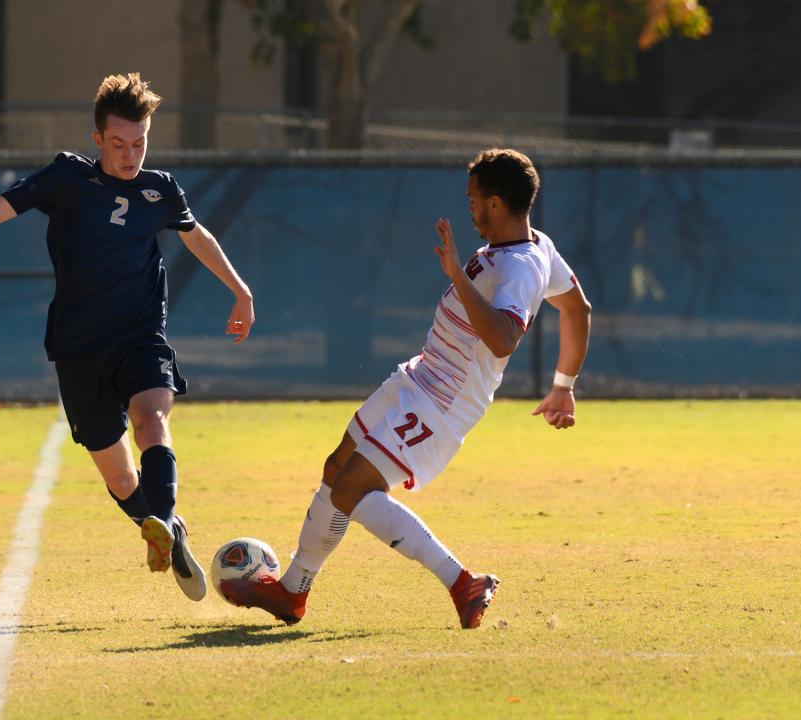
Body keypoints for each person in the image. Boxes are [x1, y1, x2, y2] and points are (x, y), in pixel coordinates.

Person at [220, 149, 592, 629]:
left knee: (354, 488)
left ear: (497, 204)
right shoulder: (539, 244)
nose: (470, 207)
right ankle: (293, 591)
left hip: (443, 403)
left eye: (474, 199)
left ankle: (463, 582)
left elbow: (502, 339)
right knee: (337, 470)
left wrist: (458, 274)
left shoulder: (521, 265)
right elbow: (578, 308)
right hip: (418, 377)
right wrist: (564, 386)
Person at [0, 72, 255, 602]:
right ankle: (168, 528)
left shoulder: (161, 188)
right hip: (78, 347)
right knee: (121, 481)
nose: (130, 154)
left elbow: (198, 237)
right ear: (97, 139)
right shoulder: (67, 178)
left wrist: (240, 291)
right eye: (118, 143)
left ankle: (162, 522)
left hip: (141, 334)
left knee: (152, 420)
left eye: (140, 142)